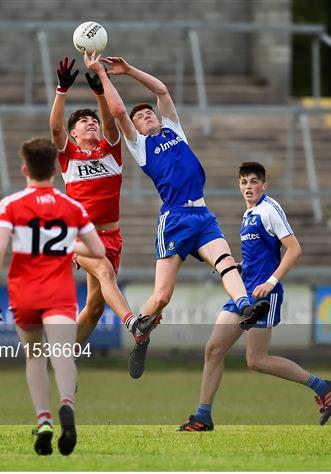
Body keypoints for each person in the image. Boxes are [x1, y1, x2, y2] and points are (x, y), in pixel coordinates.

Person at [83, 53, 271, 378]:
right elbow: (116, 112)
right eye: (141, 116)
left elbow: (162, 91)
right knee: (161, 297)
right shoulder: (140, 146)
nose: (147, 116)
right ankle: (140, 337)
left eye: (148, 113)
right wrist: (102, 74)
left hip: (203, 215)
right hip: (174, 220)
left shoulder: (173, 130)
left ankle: (245, 306)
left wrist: (128, 70)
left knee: (226, 262)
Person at [177, 162, 331, 431]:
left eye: (254, 182)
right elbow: (261, 254)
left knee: (256, 360)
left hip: (265, 296)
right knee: (214, 348)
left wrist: (271, 281)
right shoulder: (249, 213)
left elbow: (294, 249)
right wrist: (241, 266)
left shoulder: (270, 209)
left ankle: (322, 387)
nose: (248, 186)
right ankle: (202, 416)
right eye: (243, 182)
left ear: (264, 185)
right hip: (243, 291)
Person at [0, 137, 106, 456]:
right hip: (59, 290)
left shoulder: (10, 205)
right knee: (63, 353)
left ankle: (44, 420)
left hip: (24, 291)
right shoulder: (72, 207)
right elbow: (99, 250)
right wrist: (67, 245)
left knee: (34, 355)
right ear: (55, 168)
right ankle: (67, 405)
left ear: (25, 168)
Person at [49, 57, 160, 351]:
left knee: (94, 308)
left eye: (93, 121)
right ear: (74, 133)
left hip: (112, 236)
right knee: (105, 273)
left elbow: (110, 120)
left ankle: (62, 358)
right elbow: (55, 129)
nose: (91, 124)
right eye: (84, 122)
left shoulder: (110, 152)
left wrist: (100, 92)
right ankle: (133, 323)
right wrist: (62, 90)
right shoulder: (69, 155)